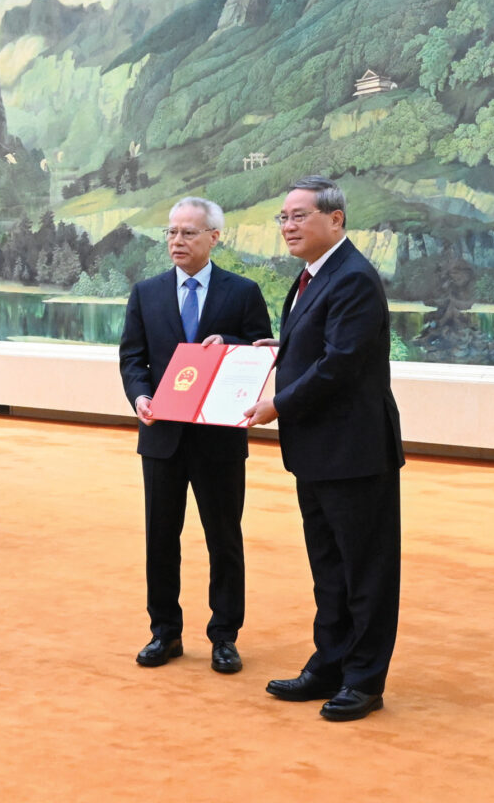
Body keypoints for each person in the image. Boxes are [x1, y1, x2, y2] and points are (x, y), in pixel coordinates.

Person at [245, 176, 404, 722]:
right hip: (317, 452)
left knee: (366, 571)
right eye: (283, 217)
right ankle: (330, 664)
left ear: (335, 220)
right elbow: (320, 345)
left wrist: (277, 404)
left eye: (298, 216)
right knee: (329, 568)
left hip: (355, 452)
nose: (288, 226)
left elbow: (340, 364)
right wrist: (281, 347)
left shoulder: (354, 277)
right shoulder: (313, 276)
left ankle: (364, 680)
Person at [120, 196, 272, 675]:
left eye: (188, 232)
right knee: (160, 538)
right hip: (162, 437)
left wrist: (228, 345)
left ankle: (224, 637)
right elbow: (132, 358)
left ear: (214, 237)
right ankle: (164, 633)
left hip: (219, 441)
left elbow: (262, 349)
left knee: (223, 538)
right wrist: (140, 397)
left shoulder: (242, 292)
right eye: (171, 232)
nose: (177, 241)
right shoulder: (146, 292)